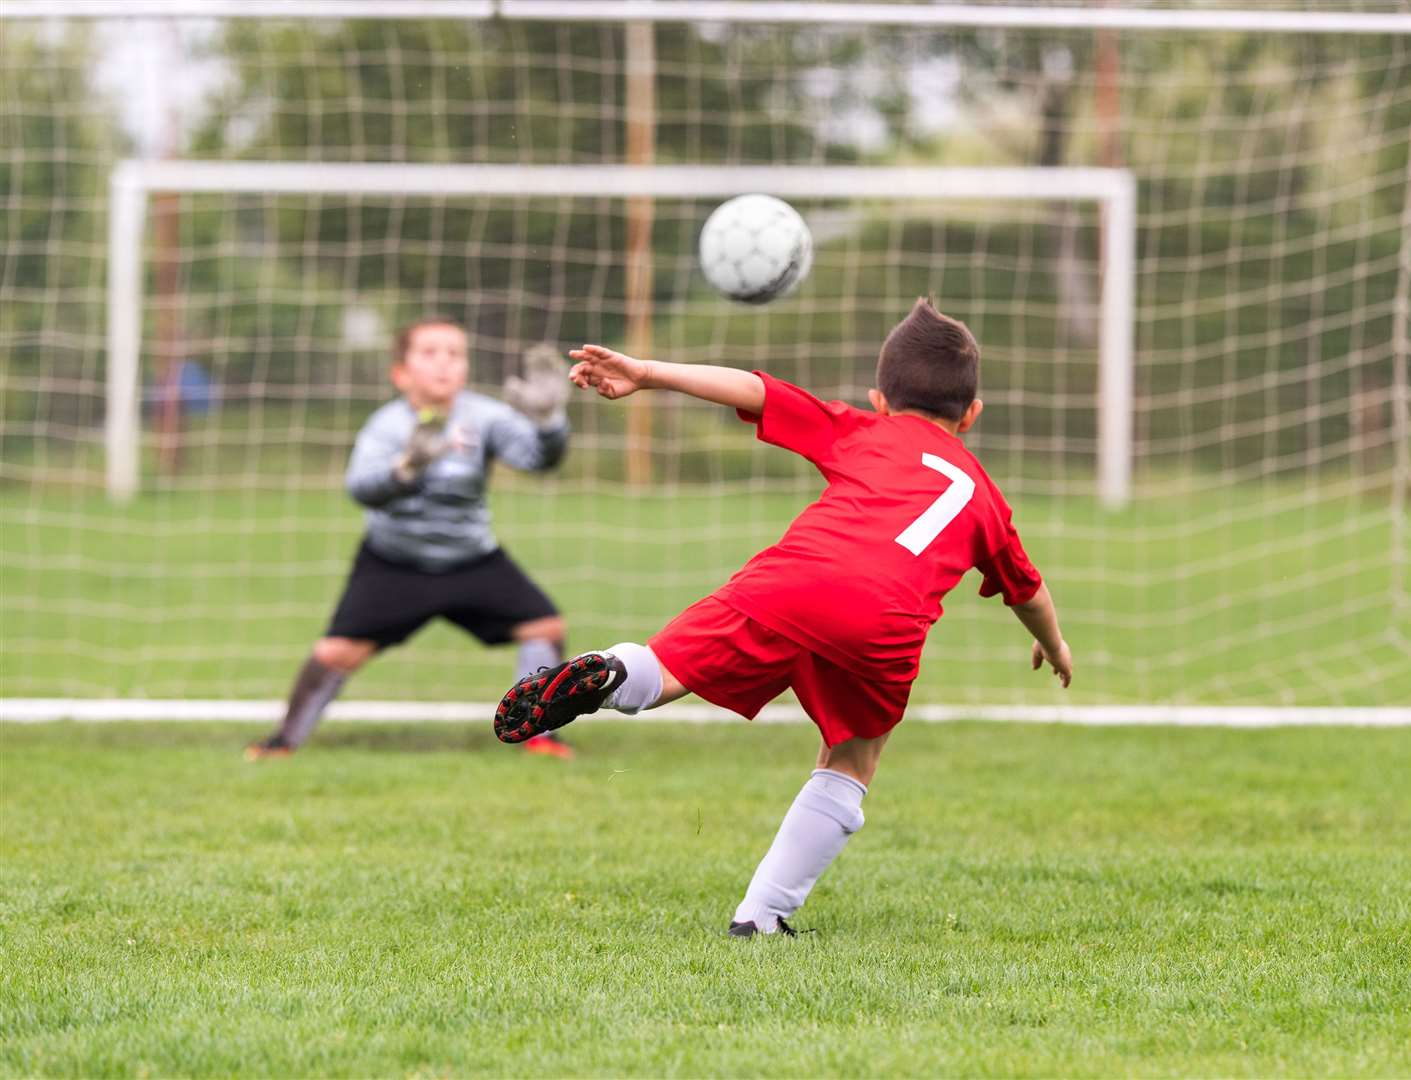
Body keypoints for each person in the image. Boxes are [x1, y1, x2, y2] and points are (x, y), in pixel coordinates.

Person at [492, 297, 1073, 934]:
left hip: (792, 581)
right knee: (852, 758)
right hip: (884, 624)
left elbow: (756, 390)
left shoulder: (863, 429)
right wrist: (1055, 643)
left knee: (663, 670)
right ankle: (762, 917)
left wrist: (648, 372)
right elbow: (1029, 591)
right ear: (972, 414)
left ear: (880, 399)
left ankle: (605, 674)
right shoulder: (985, 497)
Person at [247, 319, 575, 760]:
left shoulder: (485, 416)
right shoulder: (385, 426)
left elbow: (539, 460)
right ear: (400, 372)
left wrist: (550, 421)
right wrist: (404, 470)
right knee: (336, 652)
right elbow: (359, 489)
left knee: (545, 628)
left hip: (472, 559)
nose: (444, 363)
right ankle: (282, 741)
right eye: (430, 353)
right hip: (394, 563)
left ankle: (539, 736)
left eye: (454, 353)